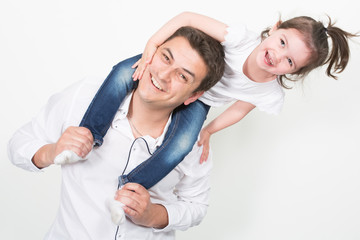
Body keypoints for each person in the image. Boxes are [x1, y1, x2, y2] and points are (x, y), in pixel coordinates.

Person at [60, 11, 358, 193]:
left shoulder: (269, 91)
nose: (277, 56)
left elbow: (238, 110)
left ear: (292, 73)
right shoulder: (242, 39)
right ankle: (88, 134)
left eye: (289, 61)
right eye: (282, 42)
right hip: (188, 69)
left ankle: (131, 185)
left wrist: (209, 130)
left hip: (201, 100)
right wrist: (152, 45)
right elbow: (188, 18)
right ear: (276, 27)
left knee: (180, 145)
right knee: (122, 72)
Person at [7, 26, 225, 239]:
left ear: (194, 96)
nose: (163, 74)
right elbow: (19, 144)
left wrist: (153, 215)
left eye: (182, 77)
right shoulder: (86, 97)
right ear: (151, 52)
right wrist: (52, 151)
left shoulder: (191, 142)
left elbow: (196, 206)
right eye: (166, 58)